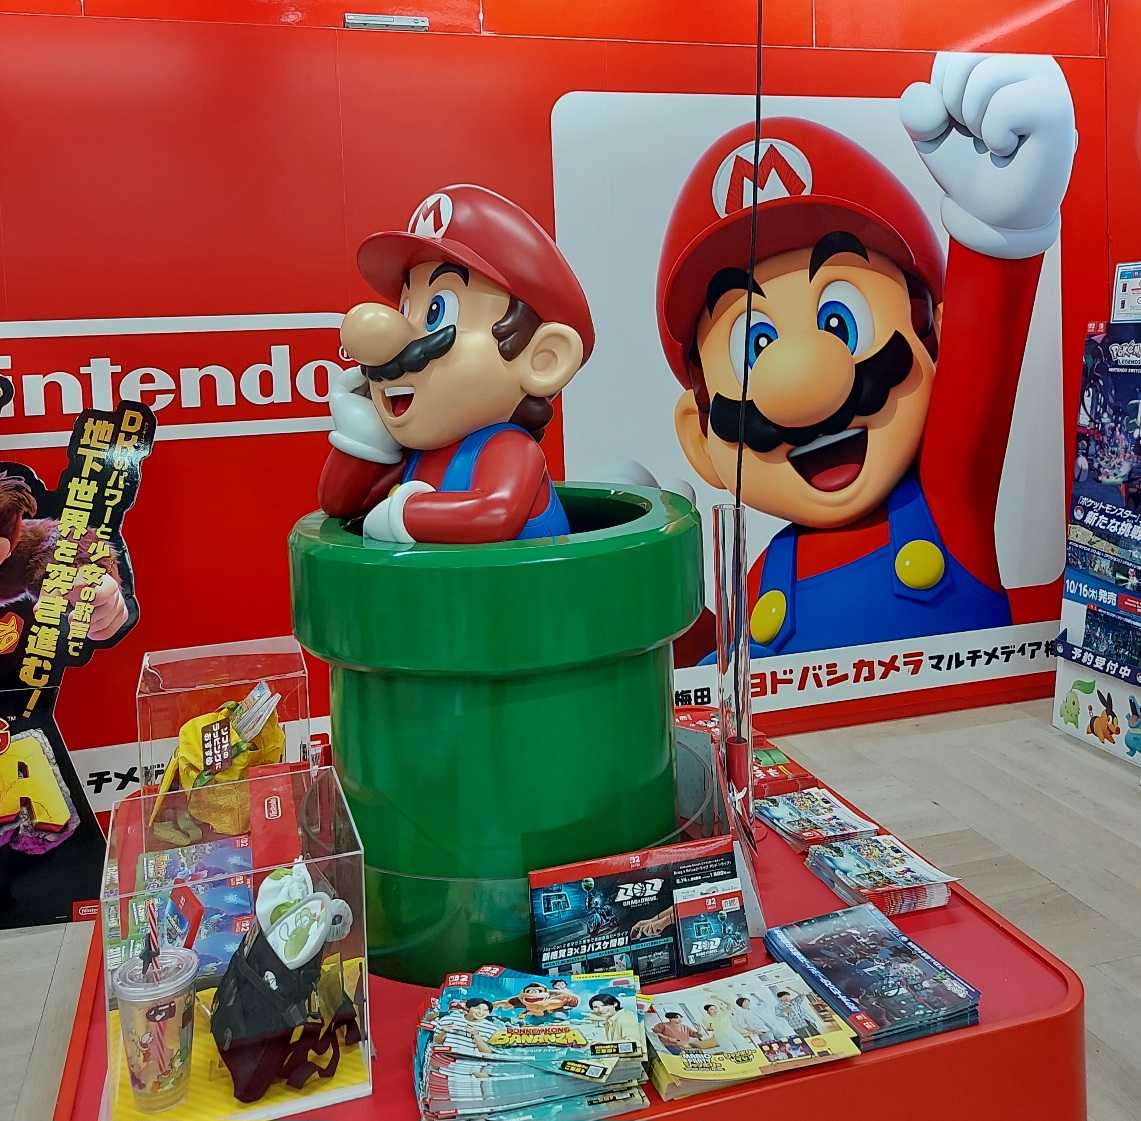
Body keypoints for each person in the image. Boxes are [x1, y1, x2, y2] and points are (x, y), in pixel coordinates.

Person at [654, 54, 1077, 661]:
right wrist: (647, 591)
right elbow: (716, 673)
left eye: (839, 321)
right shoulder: (762, 579)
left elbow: (980, 391)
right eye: (755, 346)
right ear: (700, 440)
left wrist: (1001, 231)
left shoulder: (944, 505)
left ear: (933, 343)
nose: (801, 386)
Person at [320, 185, 594, 544]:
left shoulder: (506, 448)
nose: (391, 346)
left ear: (543, 359)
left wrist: (403, 514)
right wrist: (365, 437)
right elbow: (340, 504)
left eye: (437, 312)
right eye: (405, 308)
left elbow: (494, 513)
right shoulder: (418, 455)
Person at [434, 997, 502, 1056]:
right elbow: (436, 1042)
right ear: (467, 1008)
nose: (481, 1012)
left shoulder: (493, 1029)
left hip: (472, 1064)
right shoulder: (448, 1019)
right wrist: (444, 1032)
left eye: (485, 1010)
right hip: (446, 1060)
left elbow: (489, 1053)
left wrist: (476, 1036)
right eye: (477, 1008)